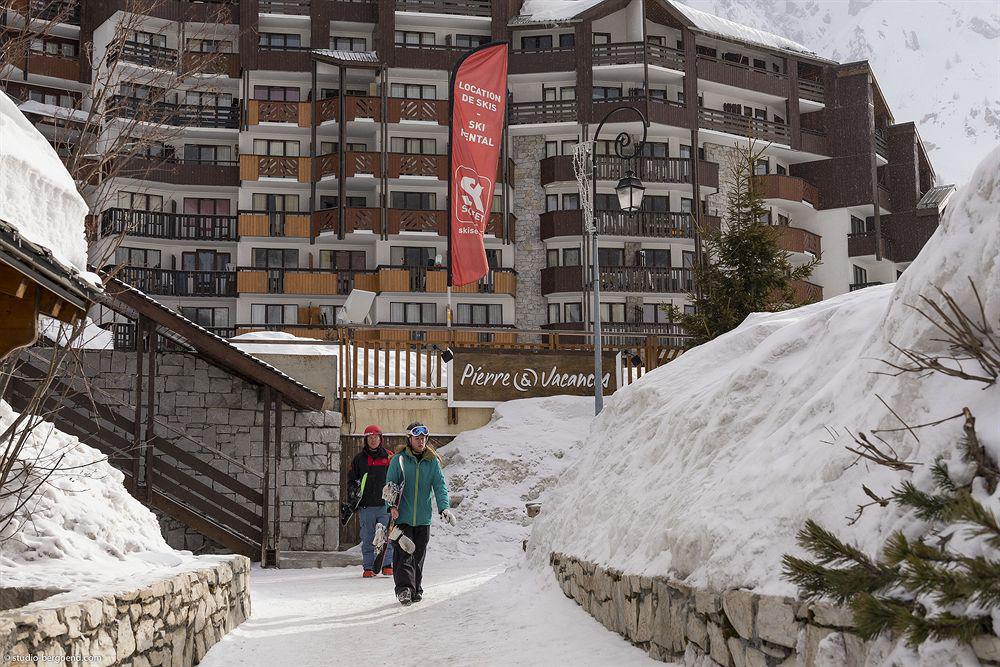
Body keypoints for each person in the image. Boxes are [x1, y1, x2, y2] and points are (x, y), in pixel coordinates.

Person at [383, 421, 455, 606]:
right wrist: (391, 507)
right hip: (402, 517)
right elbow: (389, 485)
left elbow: (439, 486)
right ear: (409, 439)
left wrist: (444, 507)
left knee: (418, 556)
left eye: (423, 438)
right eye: (417, 438)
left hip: (423, 519)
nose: (421, 441)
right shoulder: (398, 460)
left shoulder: (432, 462)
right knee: (403, 555)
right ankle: (404, 590)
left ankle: (415, 589)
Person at [348, 424, 394, 578]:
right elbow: (352, 481)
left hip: (384, 506)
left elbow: (396, 479)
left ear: (381, 439)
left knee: (386, 536)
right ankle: (368, 567)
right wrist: (353, 499)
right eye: (370, 437)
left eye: (376, 437)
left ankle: (387, 564)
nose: (373, 440)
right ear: (365, 439)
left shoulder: (388, 457)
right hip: (366, 507)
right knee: (368, 537)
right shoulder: (359, 460)